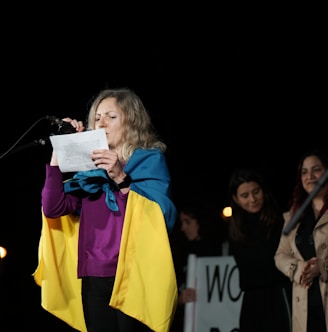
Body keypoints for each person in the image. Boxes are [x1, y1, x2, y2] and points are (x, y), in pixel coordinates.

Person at [33, 87, 178, 332]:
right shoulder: (88, 168)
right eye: (97, 117)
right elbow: (53, 207)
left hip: (133, 275)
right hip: (93, 275)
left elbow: (161, 216)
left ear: (131, 121)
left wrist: (121, 177)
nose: (102, 123)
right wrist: (60, 151)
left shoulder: (148, 160)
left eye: (111, 117)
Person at [227, 168, 292, 332]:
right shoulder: (235, 229)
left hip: (280, 295)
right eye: (245, 195)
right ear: (236, 199)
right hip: (251, 301)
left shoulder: (280, 221)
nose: (253, 199)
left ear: (264, 190)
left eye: (256, 191)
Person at [274, 148, 328, 332]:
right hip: (305, 305)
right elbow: (280, 255)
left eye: (317, 169)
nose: (310, 176)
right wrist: (299, 270)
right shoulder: (294, 215)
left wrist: (321, 267)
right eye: (304, 172)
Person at [169, 199, 227, 332]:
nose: (183, 228)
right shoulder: (183, 252)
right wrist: (179, 298)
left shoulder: (220, 250)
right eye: (182, 222)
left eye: (187, 221)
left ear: (200, 221)